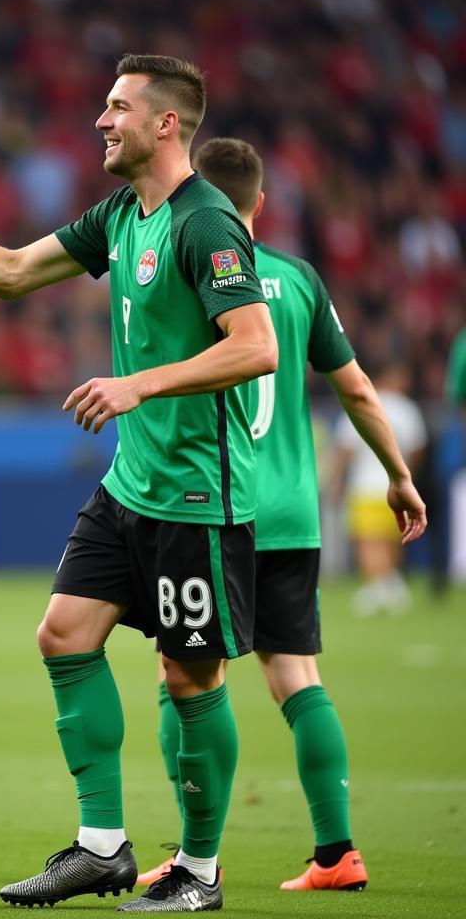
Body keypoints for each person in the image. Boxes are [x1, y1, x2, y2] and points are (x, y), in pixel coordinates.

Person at [0, 54, 278, 913]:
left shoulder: (205, 223)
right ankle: (102, 847)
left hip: (198, 497)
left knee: (189, 680)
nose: (102, 119)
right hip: (132, 485)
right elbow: (14, 272)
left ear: (166, 123)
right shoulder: (120, 216)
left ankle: (199, 872)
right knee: (63, 635)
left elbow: (256, 345)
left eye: (118, 106)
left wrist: (138, 384)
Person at [138, 137, 427, 893]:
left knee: (185, 676)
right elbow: (360, 390)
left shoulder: (185, 259)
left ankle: (194, 854)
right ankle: (338, 853)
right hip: (295, 513)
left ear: (197, 193)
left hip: (210, 503)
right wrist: (397, 474)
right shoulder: (298, 281)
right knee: (297, 676)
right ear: (259, 205)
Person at [332, 361, 428, 616]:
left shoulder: (358, 401)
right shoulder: (407, 409)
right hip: (393, 487)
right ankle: (389, 586)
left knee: (367, 542)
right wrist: (406, 477)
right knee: (390, 540)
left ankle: (381, 589)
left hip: (364, 487)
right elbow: (419, 448)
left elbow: (345, 450)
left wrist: (337, 481)